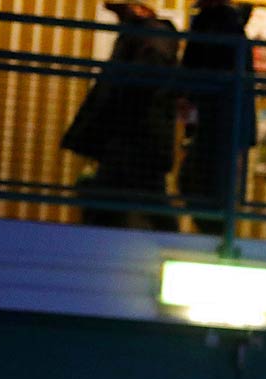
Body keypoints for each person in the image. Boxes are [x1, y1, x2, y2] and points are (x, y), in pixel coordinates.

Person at [61, 3, 181, 229]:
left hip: (134, 138)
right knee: (139, 200)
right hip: (138, 138)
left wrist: (116, 112)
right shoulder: (149, 36)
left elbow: (141, 82)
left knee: (117, 200)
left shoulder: (148, 35)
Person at [177, 0, 251, 235]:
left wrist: (188, 94)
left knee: (197, 182)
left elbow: (199, 63)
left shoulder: (214, 22)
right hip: (224, 117)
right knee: (209, 184)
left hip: (216, 116)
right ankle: (217, 237)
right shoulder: (229, 23)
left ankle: (215, 235)